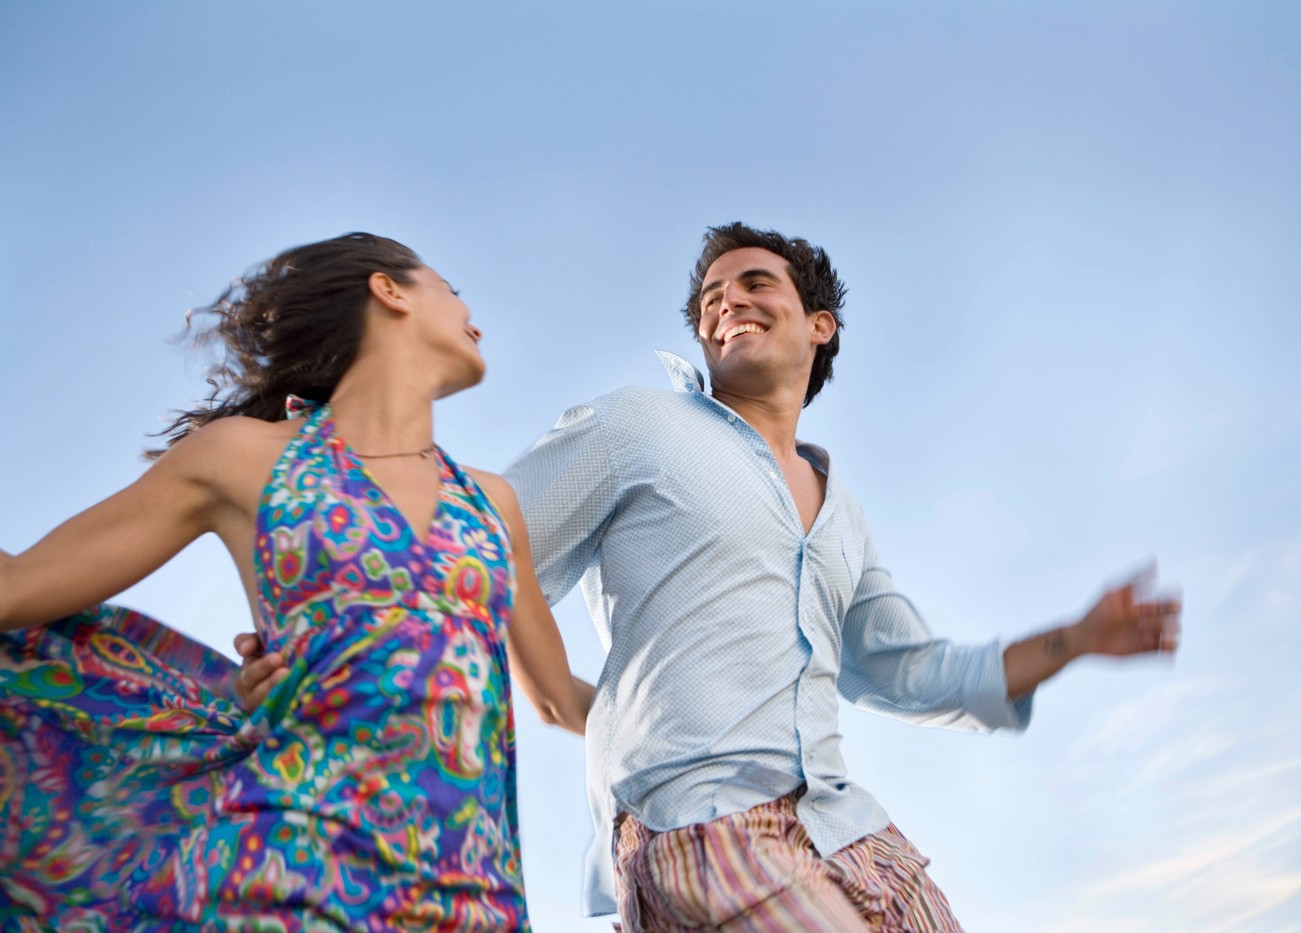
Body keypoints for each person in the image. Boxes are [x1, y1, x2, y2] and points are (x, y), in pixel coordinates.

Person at [238, 223, 1181, 931]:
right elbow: (469, 542)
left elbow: (909, 669)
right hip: (700, 831)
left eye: (754, 282)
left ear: (820, 323)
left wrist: (1078, 639)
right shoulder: (636, 427)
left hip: (856, 835)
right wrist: (328, 647)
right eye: (710, 297)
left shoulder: (842, 510)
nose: (725, 300)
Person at [0, 233, 593, 931]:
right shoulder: (241, 459)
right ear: (390, 289)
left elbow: (558, 700)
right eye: (452, 288)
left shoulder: (492, 504)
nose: (475, 316)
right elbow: (17, 590)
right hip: (290, 875)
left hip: (472, 895)